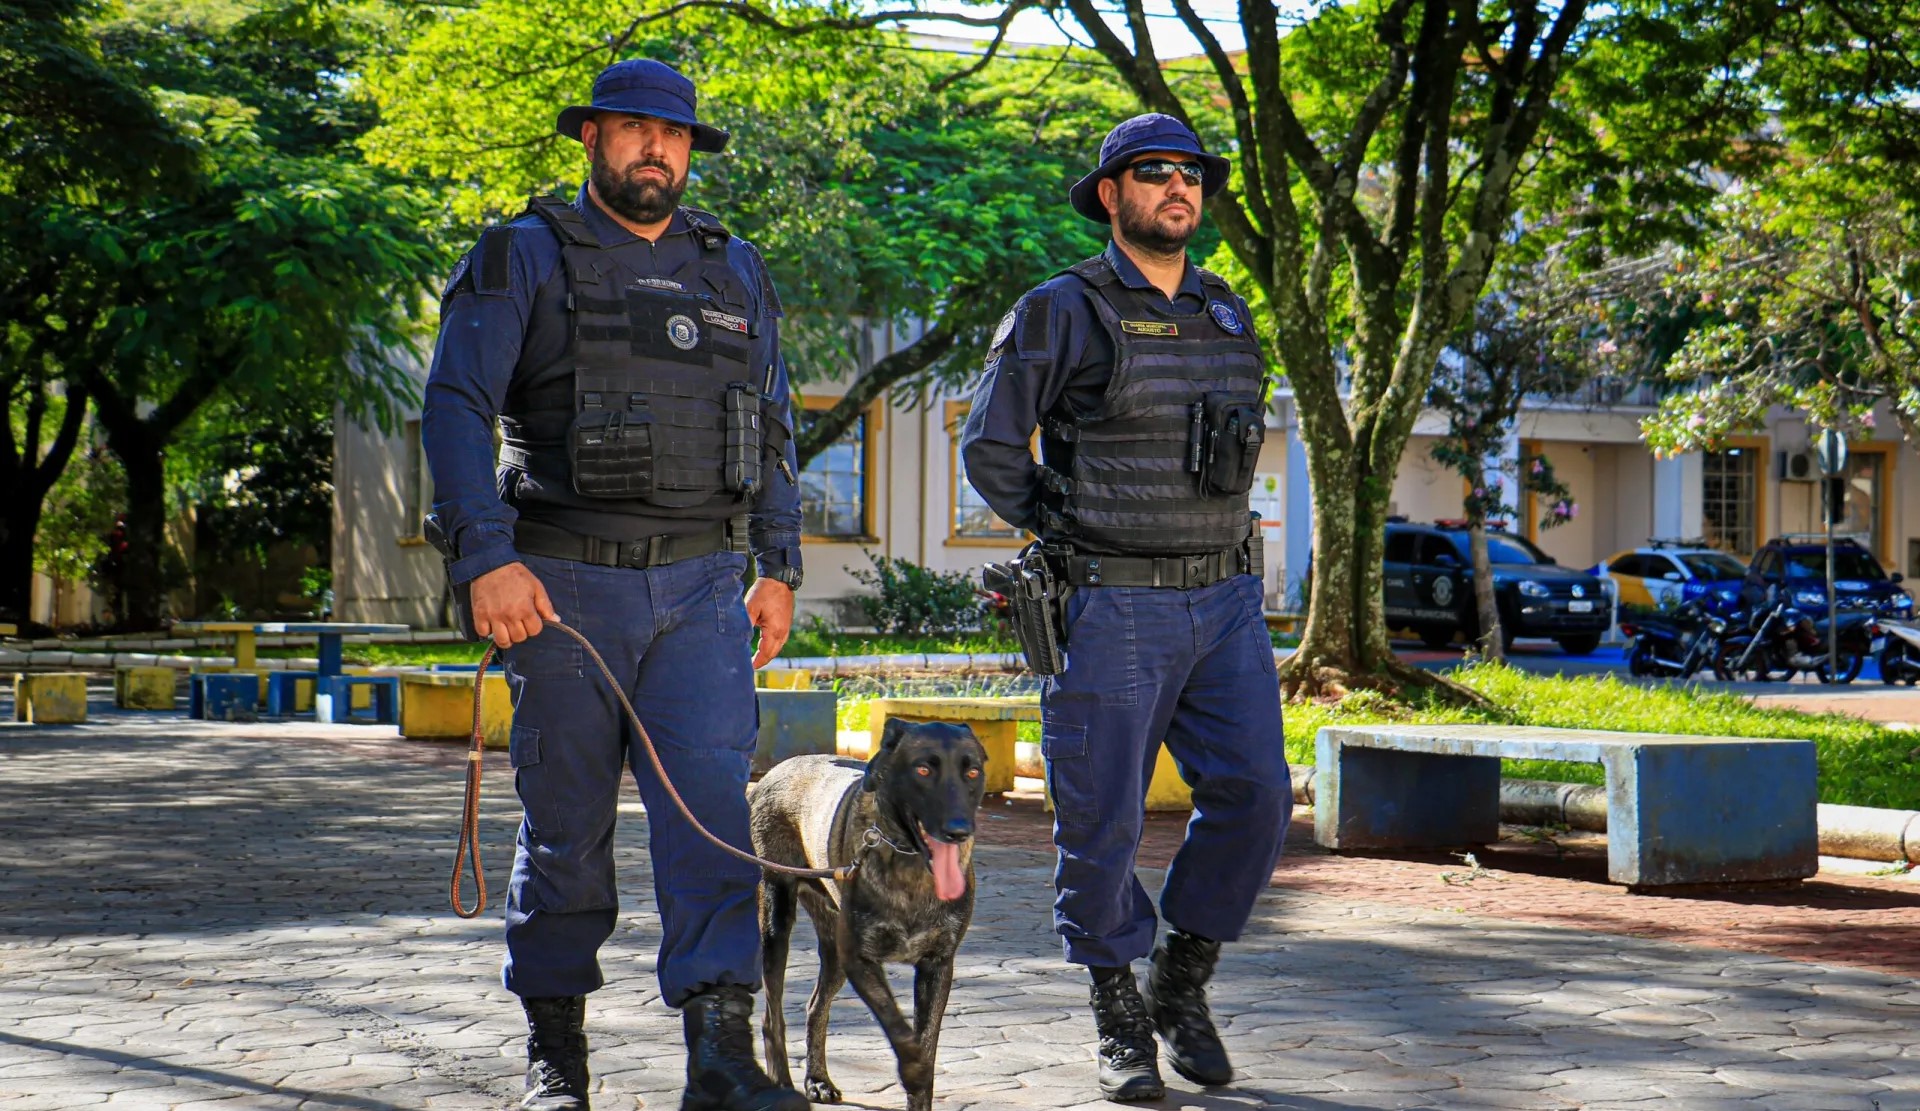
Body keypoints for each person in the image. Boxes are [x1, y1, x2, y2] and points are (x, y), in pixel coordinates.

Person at [422, 58, 808, 1111]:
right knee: (566, 829)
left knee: (714, 822)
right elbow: (455, 406)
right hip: (560, 586)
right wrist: (484, 556)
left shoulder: (735, 269)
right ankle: (557, 1053)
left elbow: (771, 422)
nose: (656, 149)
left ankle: (720, 1057)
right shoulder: (522, 254)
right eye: (635, 129)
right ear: (591, 136)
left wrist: (779, 563)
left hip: (704, 590)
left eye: (674, 135)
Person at [959, 113, 1292, 1103]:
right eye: (1154, 173)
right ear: (1111, 195)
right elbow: (990, 448)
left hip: (1225, 600)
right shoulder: (1062, 309)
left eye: (1191, 173)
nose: (1177, 187)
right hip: (1112, 605)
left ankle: (1179, 979)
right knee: (1100, 821)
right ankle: (1118, 1010)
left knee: (1258, 797)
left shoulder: (1226, 310)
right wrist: (1065, 527)